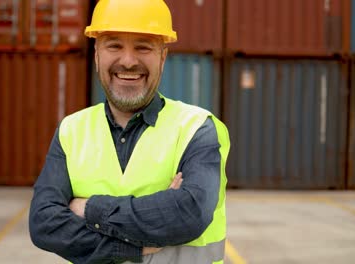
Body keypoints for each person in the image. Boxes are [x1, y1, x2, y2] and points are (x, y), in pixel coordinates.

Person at [29, 0, 230, 263]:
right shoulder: (71, 131)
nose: (128, 61)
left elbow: (188, 215)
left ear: (163, 56)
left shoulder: (197, 128)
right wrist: (133, 243)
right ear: (97, 54)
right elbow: (44, 224)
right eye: (114, 45)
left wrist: (88, 208)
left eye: (143, 47)